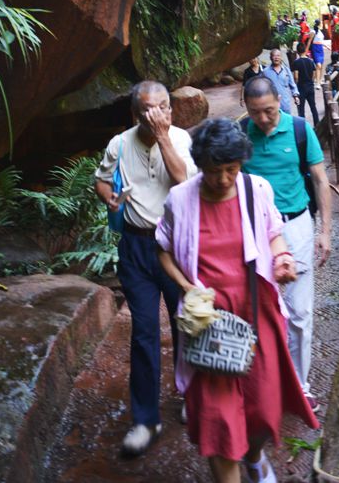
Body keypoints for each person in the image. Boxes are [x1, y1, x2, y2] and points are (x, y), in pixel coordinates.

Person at [156, 118, 319, 483]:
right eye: (215, 171)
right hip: (209, 324)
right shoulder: (180, 199)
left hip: (257, 314)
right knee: (218, 423)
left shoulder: (256, 189)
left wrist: (282, 258)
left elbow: (274, 233)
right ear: (200, 166)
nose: (224, 179)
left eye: (232, 169)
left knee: (263, 410)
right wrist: (187, 286)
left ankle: (256, 456)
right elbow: (163, 250)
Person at [94, 81, 197, 457]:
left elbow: (183, 180)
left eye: (160, 109)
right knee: (144, 333)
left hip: (176, 245)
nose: (153, 116)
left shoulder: (183, 141)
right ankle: (145, 419)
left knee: (186, 323)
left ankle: (191, 396)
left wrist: (163, 137)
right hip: (136, 246)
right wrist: (111, 199)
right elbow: (101, 181)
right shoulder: (119, 144)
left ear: (169, 110)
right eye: (145, 111)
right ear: (134, 114)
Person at [242, 76, 331, 407]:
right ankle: (262, 383)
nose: (263, 119)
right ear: (245, 108)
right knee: (256, 310)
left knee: (299, 312)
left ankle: (300, 386)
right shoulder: (239, 133)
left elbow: (321, 180)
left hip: (295, 225)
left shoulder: (298, 129)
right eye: (255, 112)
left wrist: (324, 231)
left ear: (279, 100)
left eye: (268, 110)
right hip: (253, 232)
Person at [262, 47, 298, 114]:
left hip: (285, 103)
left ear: (281, 57)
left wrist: (295, 96)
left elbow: (292, 84)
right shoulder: (265, 72)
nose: (276, 57)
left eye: (278, 55)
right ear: (270, 58)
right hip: (272, 105)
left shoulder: (286, 70)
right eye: (274, 56)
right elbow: (261, 88)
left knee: (286, 122)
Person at [292, 42, 319, 126]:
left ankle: (302, 127)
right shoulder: (311, 61)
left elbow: (296, 76)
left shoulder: (296, 62)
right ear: (305, 50)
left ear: (297, 51)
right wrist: (311, 81)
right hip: (310, 86)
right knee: (313, 107)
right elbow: (314, 74)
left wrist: (296, 84)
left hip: (301, 87)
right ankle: (317, 125)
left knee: (301, 109)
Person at [308, 20, 326, 87]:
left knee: (321, 64)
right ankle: (317, 83)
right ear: (319, 24)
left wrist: (326, 46)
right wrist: (306, 50)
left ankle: (319, 80)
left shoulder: (320, 32)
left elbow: (320, 41)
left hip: (320, 48)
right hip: (315, 48)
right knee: (318, 65)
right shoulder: (313, 31)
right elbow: (309, 41)